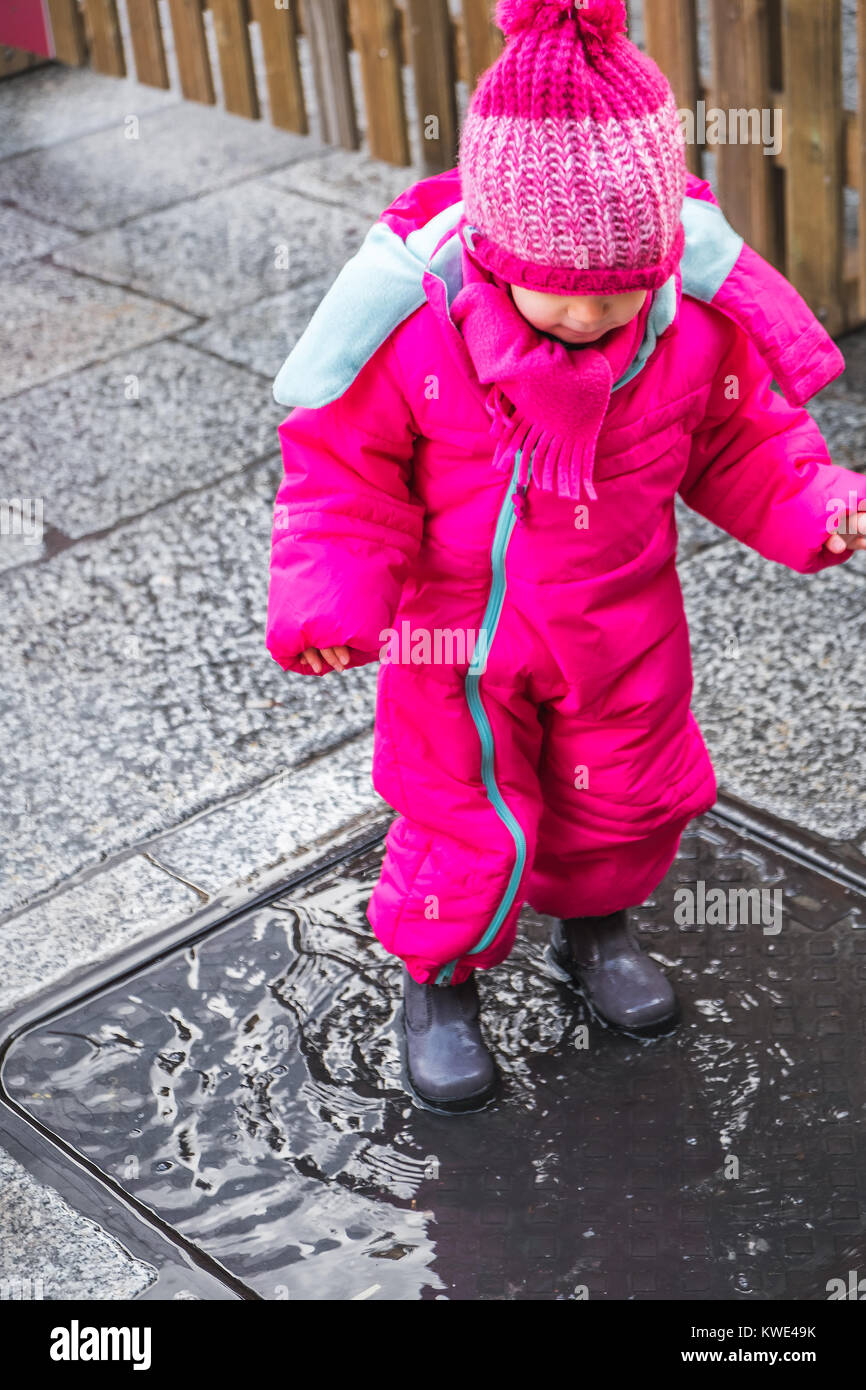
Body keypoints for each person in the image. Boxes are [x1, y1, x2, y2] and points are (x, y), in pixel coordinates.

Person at [265, 0, 866, 1113]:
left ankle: (594, 931)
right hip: (456, 639)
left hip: (619, 622)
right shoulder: (417, 331)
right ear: (495, 252)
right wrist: (333, 595)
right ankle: (438, 982)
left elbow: (744, 438)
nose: (593, 313)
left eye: (620, 285)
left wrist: (817, 502)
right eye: (564, 287)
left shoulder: (683, 327)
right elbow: (342, 475)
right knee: (459, 810)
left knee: (625, 794)